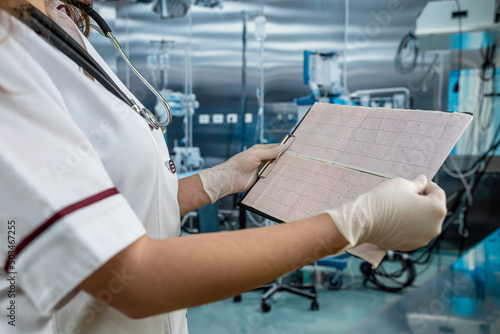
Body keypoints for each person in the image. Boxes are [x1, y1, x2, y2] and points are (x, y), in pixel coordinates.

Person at [0, 1, 447, 333]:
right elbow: (132, 276)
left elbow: (115, 205)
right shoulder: (8, 51)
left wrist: (217, 182)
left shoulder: (59, 25)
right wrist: (354, 222)